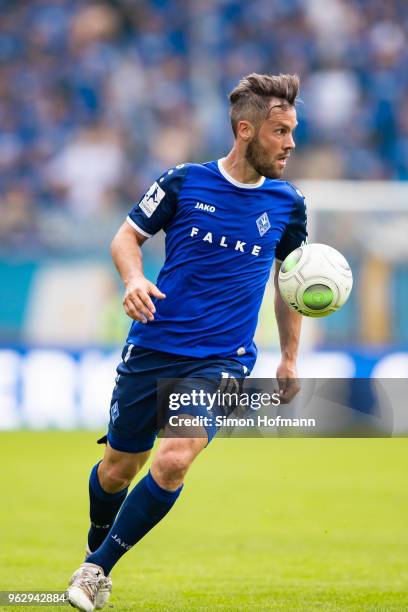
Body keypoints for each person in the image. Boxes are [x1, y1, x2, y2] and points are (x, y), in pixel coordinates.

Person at [66, 73, 307, 612]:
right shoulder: (184, 182)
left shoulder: (289, 204)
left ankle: (95, 569)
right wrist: (132, 279)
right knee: (118, 470)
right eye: (280, 131)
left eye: (293, 131)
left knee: (174, 459)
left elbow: (288, 281)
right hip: (153, 346)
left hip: (221, 362)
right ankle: (97, 541)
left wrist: (290, 356)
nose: (291, 143)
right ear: (246, 131)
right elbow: (126, 237)